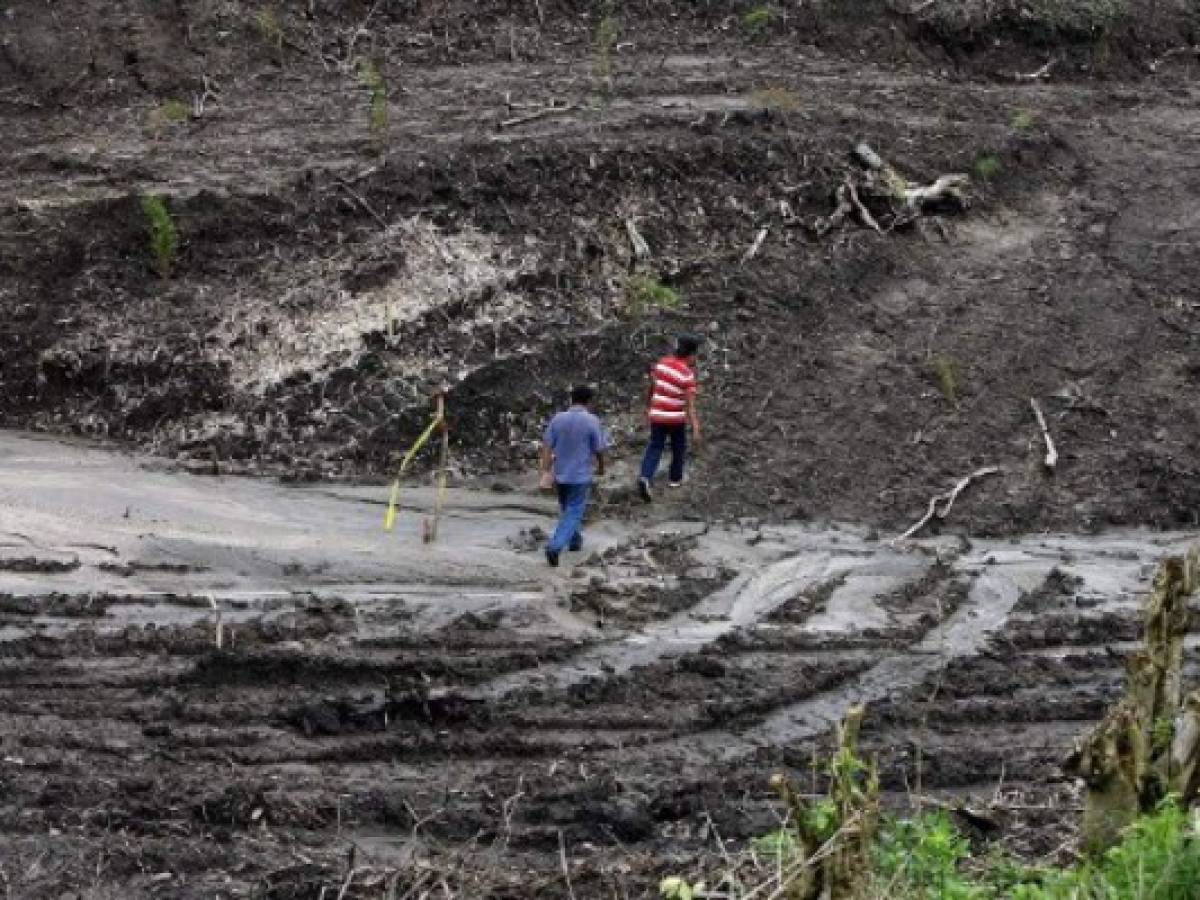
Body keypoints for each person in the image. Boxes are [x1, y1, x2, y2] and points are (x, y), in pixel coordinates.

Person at [539, 384, 609, 567]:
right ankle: (555, 547)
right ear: (589, 401)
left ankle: (575, 541)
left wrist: (546, 470)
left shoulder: (557, 419)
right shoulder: (591, 420)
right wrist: (602, 467)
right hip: (580, 475)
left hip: (560, 473)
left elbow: (547, 445)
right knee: (574, 511)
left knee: (567, 510)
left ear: (571, 399)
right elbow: (599, 448)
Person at [637, 334, 702, 502]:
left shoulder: (662, 365)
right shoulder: (687, 375)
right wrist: (696, 428)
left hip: (657, 415)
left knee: (655, 446)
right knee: (678, 447)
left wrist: (648, 407)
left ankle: (645, 476)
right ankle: (675, 479)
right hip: (675, 418)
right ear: (691, 355)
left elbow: (652, 386)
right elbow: (690, 405)